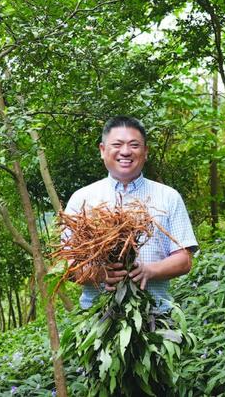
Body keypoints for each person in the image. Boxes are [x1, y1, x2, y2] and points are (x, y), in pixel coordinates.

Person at [64, 115, 198, 313]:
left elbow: (184, 260)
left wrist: (148, 270)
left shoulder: (168, 197)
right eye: (117, 144)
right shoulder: (82, 199)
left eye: (134, 145)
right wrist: (100, 274)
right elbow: (68, 265)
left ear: (146, 151)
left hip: (155, 317)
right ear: (102, 150)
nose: (125, 151)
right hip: (96, 318)